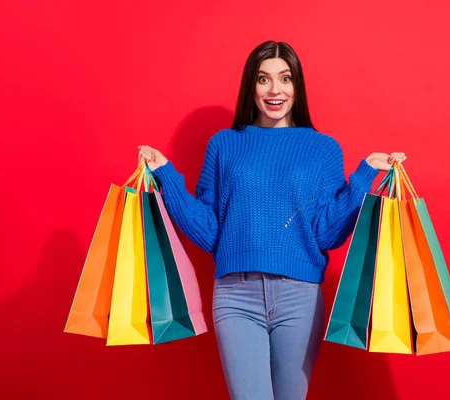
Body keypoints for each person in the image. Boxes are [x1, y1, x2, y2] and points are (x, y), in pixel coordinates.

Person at [137, 40, 406, 400]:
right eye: (264, 79)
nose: (275, 90)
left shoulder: (323, 148)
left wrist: (361, 178)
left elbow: (326, 233)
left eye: (285, 78)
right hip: (236, 296)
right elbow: (209, 232)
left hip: (300, 297)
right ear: (251, 86)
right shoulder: (225, 144)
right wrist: (165, 176)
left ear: (298, 86)